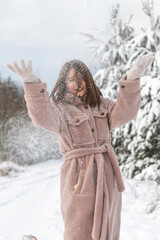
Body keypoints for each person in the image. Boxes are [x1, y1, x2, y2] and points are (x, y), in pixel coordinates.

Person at [5, 53, 154, 240]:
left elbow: (125, 113)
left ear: (88, 80)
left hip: (107, 176)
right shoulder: (60, 109)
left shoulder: (102, 105)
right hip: (78, 176)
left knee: (109, 226)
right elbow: (42, 117)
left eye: (81, 77)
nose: (77, 83)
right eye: (71, 79)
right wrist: (32, 84)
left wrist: (132, 78)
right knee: (79, 228)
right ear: (64, 83)